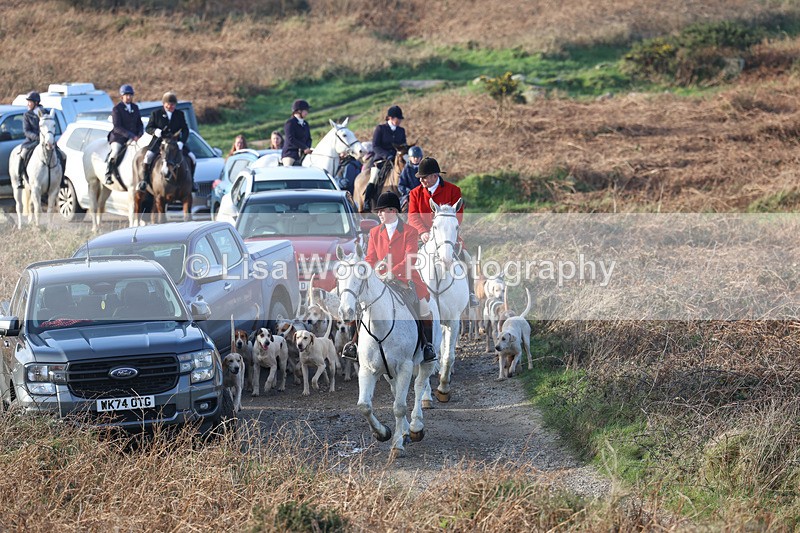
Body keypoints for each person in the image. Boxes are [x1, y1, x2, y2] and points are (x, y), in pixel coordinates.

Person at [341, 191, 437, 362]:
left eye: (382, 211)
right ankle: (353, 343)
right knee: (359, 304)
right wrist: (367, 270)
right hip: (379, 279)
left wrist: (393, 272)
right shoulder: (374, 232)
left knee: (424, 308)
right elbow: (371, 258)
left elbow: (410, 258)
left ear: (393, 211)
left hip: (406, 279)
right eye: (378, 211)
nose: (379, 214)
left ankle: (426, 346)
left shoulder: (410, 231)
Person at [408, 157, 479, 308]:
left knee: (466, 258)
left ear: (435, 176)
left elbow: (458, 216)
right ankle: (409, 291)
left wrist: (445, 233)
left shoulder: (453, 190)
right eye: (420, 177)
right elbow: (412, 216)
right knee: (406, 258)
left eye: (424, 177)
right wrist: (423, 232)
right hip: (423, 237)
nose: (421, 180)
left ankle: (470, 293)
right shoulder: (415, 193)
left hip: (447, 236)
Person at [140, 91, 197, 193]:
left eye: (173, 104)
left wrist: (181, 142)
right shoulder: (156, 114)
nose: (172, 106)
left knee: (193, 158)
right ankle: (144, 180)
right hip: (159, 142)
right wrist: (156, 131)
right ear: (164, 104)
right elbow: (148, 128)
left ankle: (192, 181)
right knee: (147, 157)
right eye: (169, 104)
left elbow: (185, 129)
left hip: (175, 143)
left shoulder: (179, 114)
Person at [363, 105, 406, 210]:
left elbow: (403, 146)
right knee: (374, 178)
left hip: (396, 161)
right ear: (390, 118)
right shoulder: (380, 129)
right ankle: (367, 201)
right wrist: (387, 155)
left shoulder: (401, 131)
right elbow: (375, 146)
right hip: (381, 160)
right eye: (398, 118)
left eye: (400, 119)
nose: (400, 121)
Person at [106, 84, 143, 186]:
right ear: (122, 96)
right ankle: (108, 173)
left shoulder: (135, 107)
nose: (129, 97)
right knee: (115, 151)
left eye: (130, 95)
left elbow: (139, 123)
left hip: (135, 137)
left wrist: (140, 133)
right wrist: (131, 136)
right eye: (126, 95)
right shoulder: (117, 109)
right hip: (119, 137)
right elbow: (117, 127)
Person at [16, 92, 44, 189]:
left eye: (30, 102)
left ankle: (61, 179)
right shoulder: (27, 115)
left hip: (45, 140)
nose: (28, 104)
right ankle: (20, 178)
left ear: (36, 102)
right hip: (32, 141)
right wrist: (37, 137)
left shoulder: (45, 112)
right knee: (23, 154)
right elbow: (26, 131)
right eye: (28, 102)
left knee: (62, 155)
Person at [281, 99, 312, 166]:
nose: (307, 112)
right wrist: (304, 147)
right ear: (299, 111)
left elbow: (309, 138)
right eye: (306, 110)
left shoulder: (305, 124)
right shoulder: (290, 123)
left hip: (304, 153)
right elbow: (291, 139)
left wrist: (307, 148)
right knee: (288, 167)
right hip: (290, 153)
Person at [397, 145, 424, 209]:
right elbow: (401, 185)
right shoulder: (406, 169)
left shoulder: (424, 167)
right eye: (414, 157)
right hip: (409, 195)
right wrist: (408, 191)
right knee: (403, 206)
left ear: (421, 157)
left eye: (418, 157)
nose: (416, 159)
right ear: (409, 158)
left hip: (423, 194)